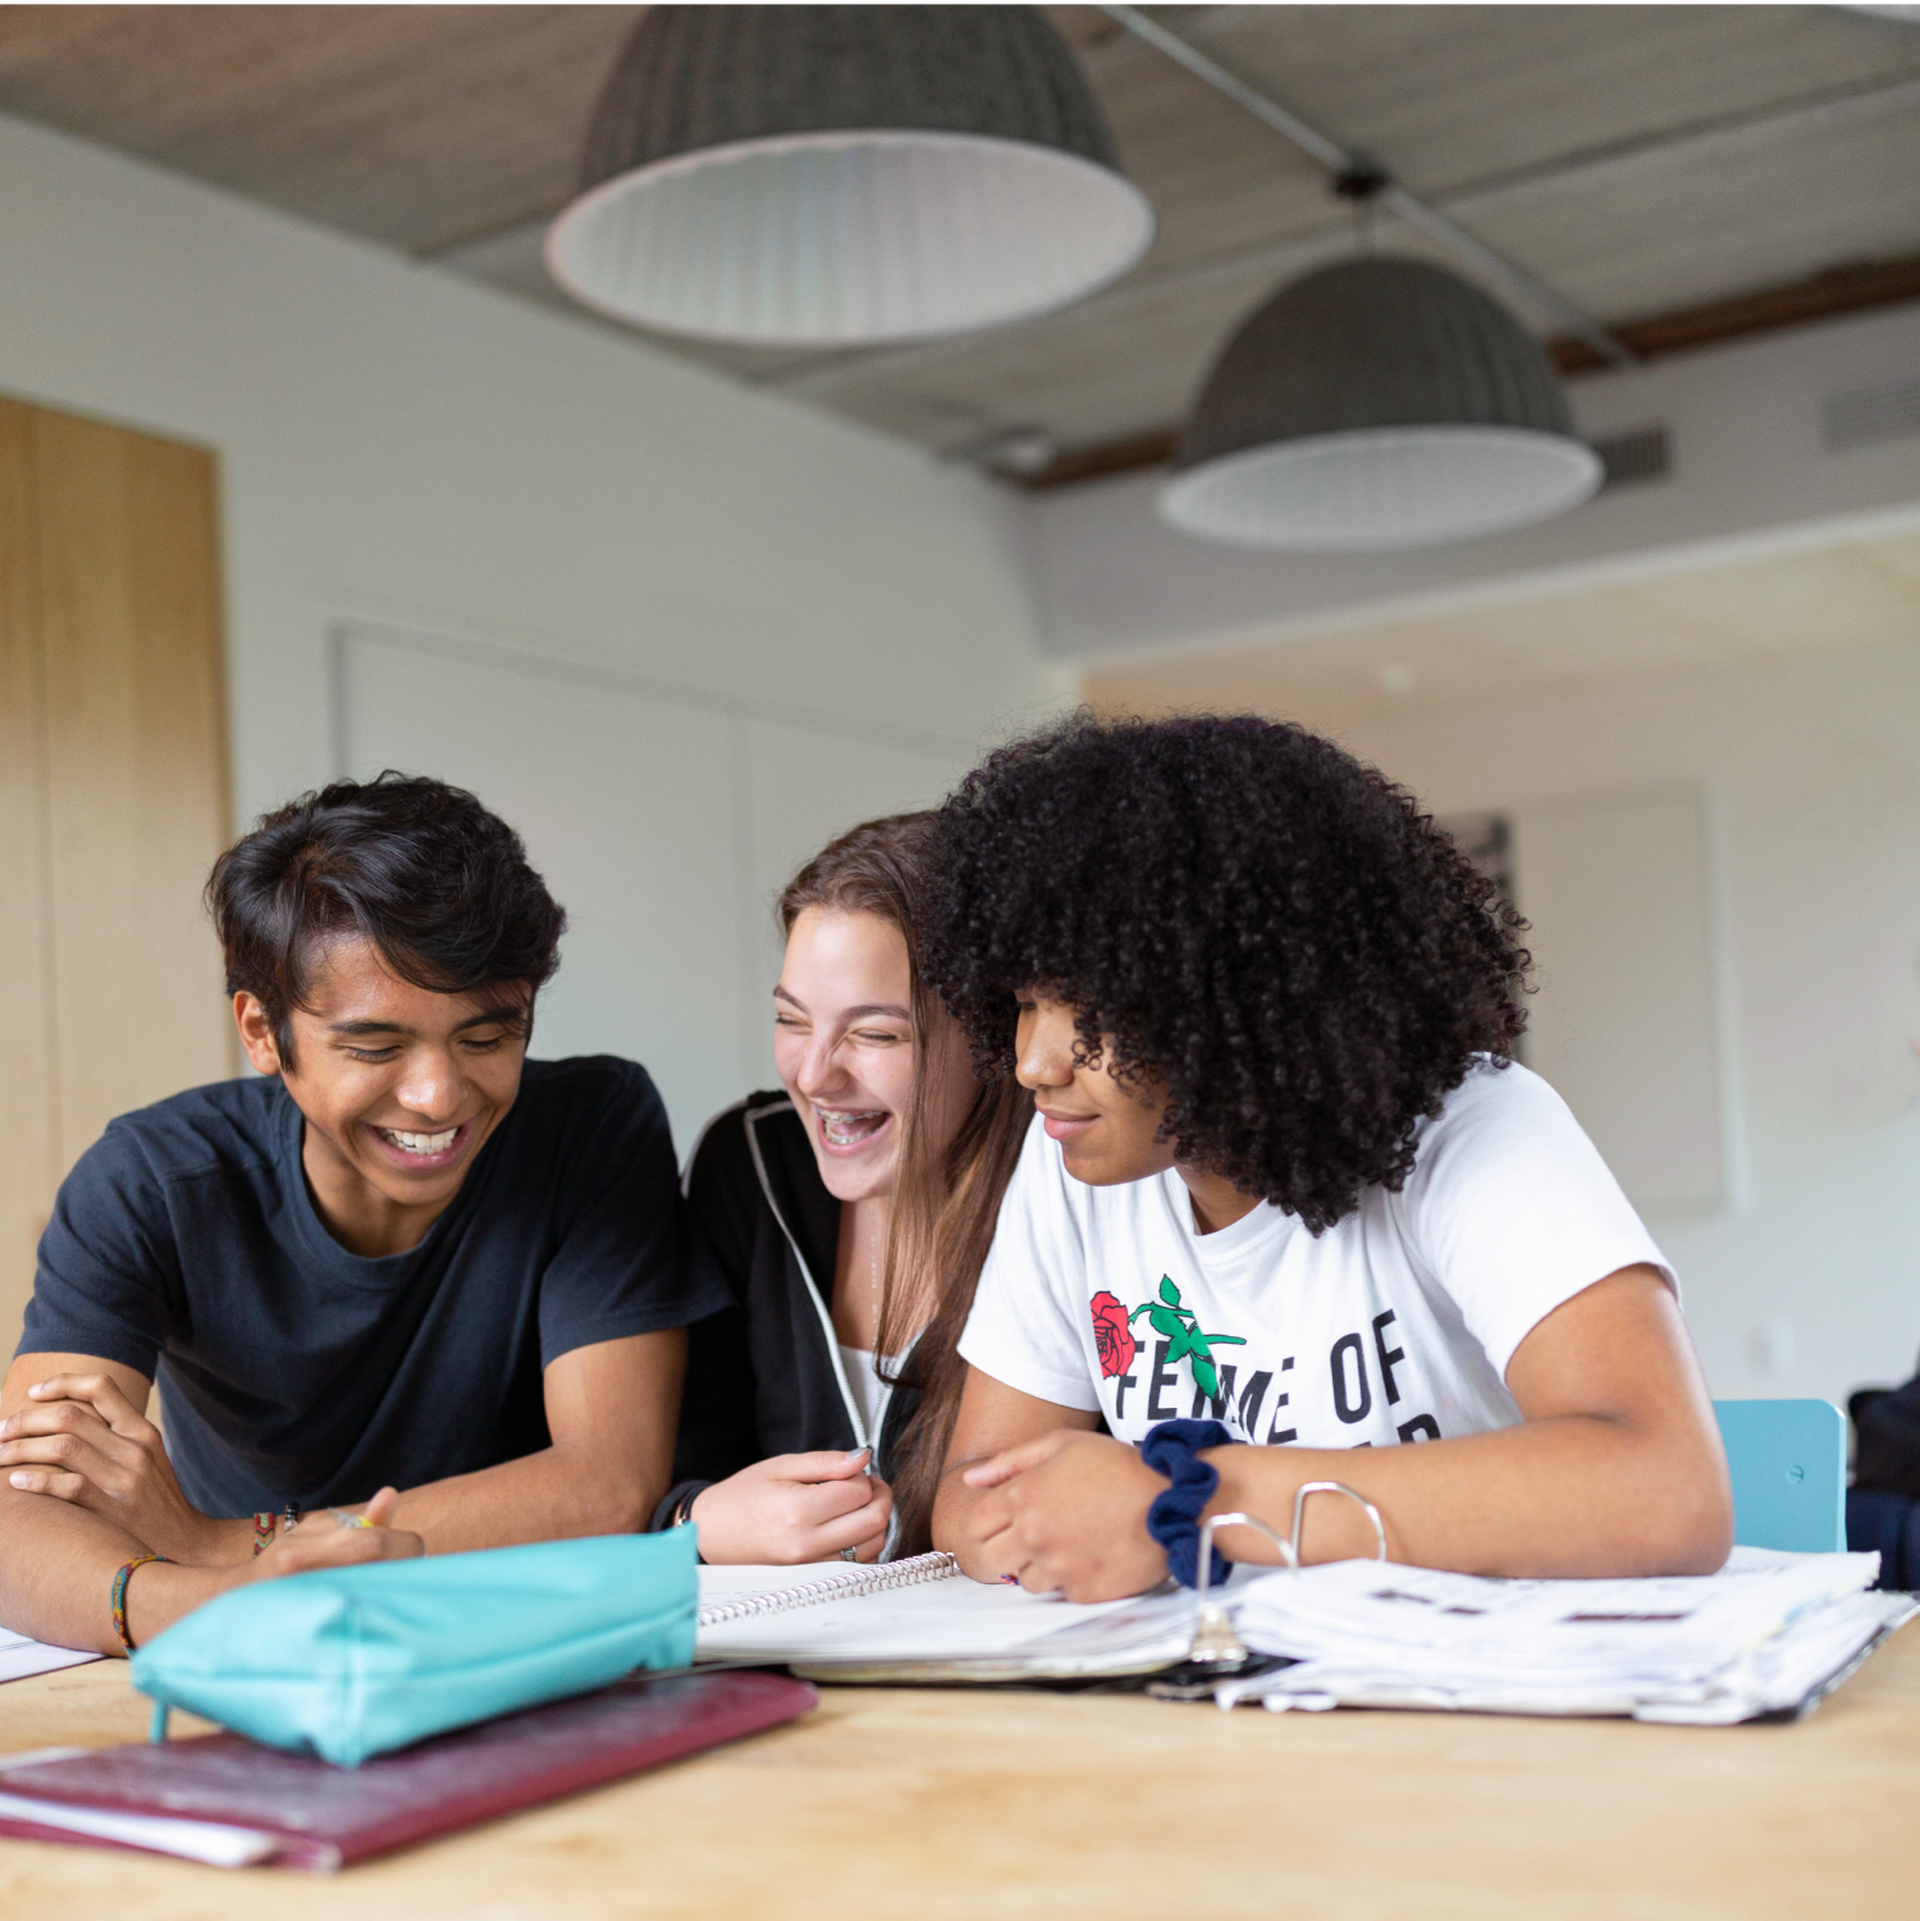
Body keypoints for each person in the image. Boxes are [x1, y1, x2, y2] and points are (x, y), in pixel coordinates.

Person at [923, 714, 1733, 1599]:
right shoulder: (1071, 1162)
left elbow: (1668, 1490)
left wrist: (1192, 1505)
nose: (1035, 1062)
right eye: (1024, 1001)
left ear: (1231, 992)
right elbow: (973, 1496)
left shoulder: (1475, 1130)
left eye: (1089, 1011)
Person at [0, 774, 723, 1655]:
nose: (437, 1096)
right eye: (374, 1047)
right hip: (262, 1661)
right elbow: (20, 1513)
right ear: (263, 1032)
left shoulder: (590, 1126)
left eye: (488, 1037)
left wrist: (210, 1541)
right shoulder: (152, 1182)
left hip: (520, 1631)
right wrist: (213, 1602)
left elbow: (606, 1486)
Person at [664, 814, 1030, 1562]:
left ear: (995, 1042)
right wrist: (694, 1523)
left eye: (876, 1034)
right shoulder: (749, 1163)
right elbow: (665, 1480)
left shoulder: (1062, 1195)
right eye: (791, 1020)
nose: (812, 1074)